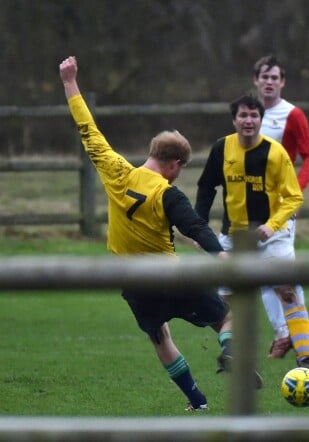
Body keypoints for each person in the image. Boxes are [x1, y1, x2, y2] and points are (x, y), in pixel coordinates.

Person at [59, 56, 262, 413]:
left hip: (131, 280)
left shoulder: (117, 171)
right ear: (174, 163)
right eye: (180, 170)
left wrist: (69, 83)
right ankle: (230, 350)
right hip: (169, 274)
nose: (178, 175)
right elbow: (194, 226)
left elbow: (88, 129)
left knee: (160, 335)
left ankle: (197, 402)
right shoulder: (167, 193)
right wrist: (220, 254)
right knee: (226, 316)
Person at [195, 93, 309, 372]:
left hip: (273, 235)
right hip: (234, 235)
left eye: (254, 116)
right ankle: (236, 356)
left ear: (261, 120)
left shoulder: (275, 152)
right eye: (243, 115)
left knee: (285, 288)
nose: (248, 121)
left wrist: (271, 225)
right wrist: (199, 228)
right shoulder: (221, 149)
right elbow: (206, 188)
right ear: (234, 119)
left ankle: (305, 355)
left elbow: (294, 197)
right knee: (226, 301)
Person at [253, 55, 309, 359]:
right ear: (256, 81)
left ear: (282, 82)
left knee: (279, 271)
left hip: (279, 207)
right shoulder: (248, 114)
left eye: (274, 77)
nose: (269, 82)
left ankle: (292, 335)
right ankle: (290, 334)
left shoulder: (292, 115)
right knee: (262, 273)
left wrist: (294, 192)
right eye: (264, 76)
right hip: (250, 206)